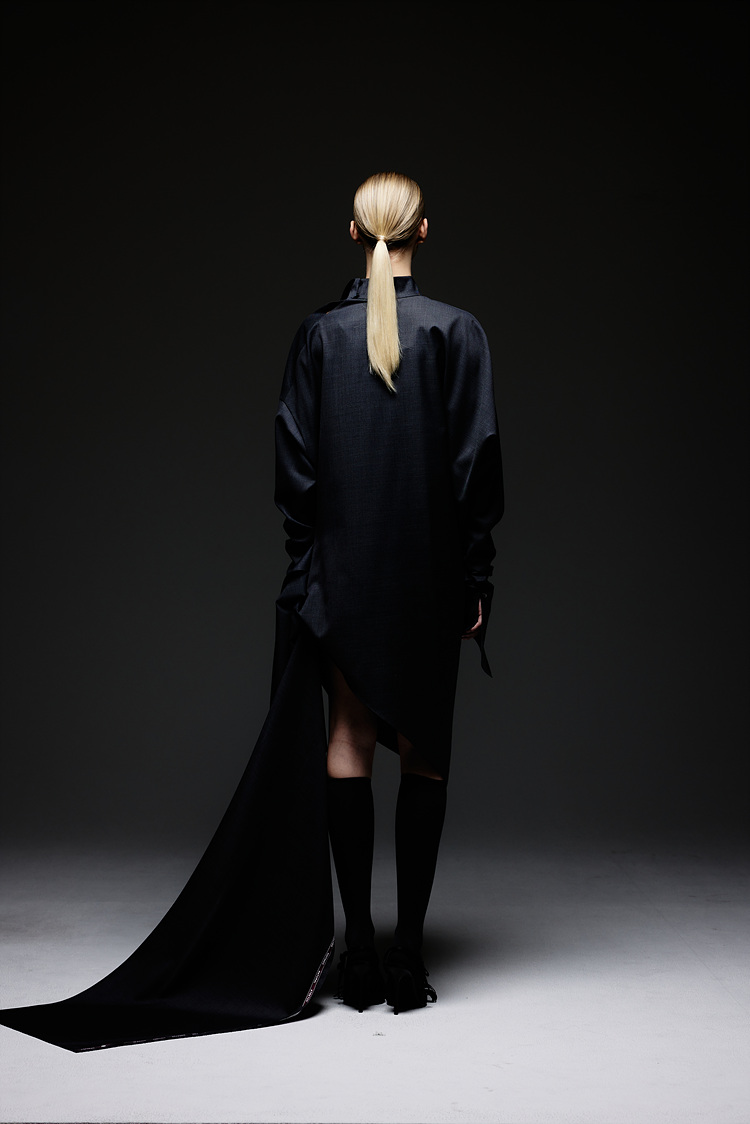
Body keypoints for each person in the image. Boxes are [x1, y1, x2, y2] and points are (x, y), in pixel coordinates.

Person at [273, 172, 504, 1015]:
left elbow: (295, 469)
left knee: (348, 739)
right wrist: (475, 576)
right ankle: (408, 955)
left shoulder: (318, 336)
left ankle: (359, 955)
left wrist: (311, 566)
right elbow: (476, 466)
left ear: (353, 232)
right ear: (423, 231)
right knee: (424, 751)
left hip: (343, 576)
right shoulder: (457, 331)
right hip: (428, 577)